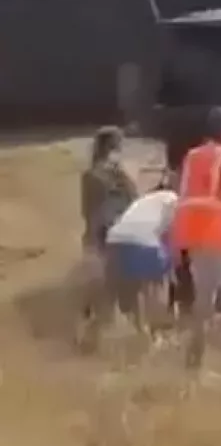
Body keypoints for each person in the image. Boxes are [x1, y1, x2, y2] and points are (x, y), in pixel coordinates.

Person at [168, 107, 221, 384]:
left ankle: (194, 361)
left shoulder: (192, 157)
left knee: (203, 300)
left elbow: (185, 196)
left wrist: (176, 242)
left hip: (196, 237)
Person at [78, 126, 138, 349]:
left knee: (108, 293)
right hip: (106, 238)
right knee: (106, 293)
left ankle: (94, 338)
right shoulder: (99, 176)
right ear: (112, 148)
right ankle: (90, 338)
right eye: (119, 147)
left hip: (109, 238)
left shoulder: (111, 174)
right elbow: (94, 213)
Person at [102, 183, 178, 333]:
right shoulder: (174, 199)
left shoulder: (142, 201)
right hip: (142, 242)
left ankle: (135, 327)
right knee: (154, 282)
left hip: (114, 240)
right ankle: (154, 328)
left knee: (130, 287)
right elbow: (172, 234)